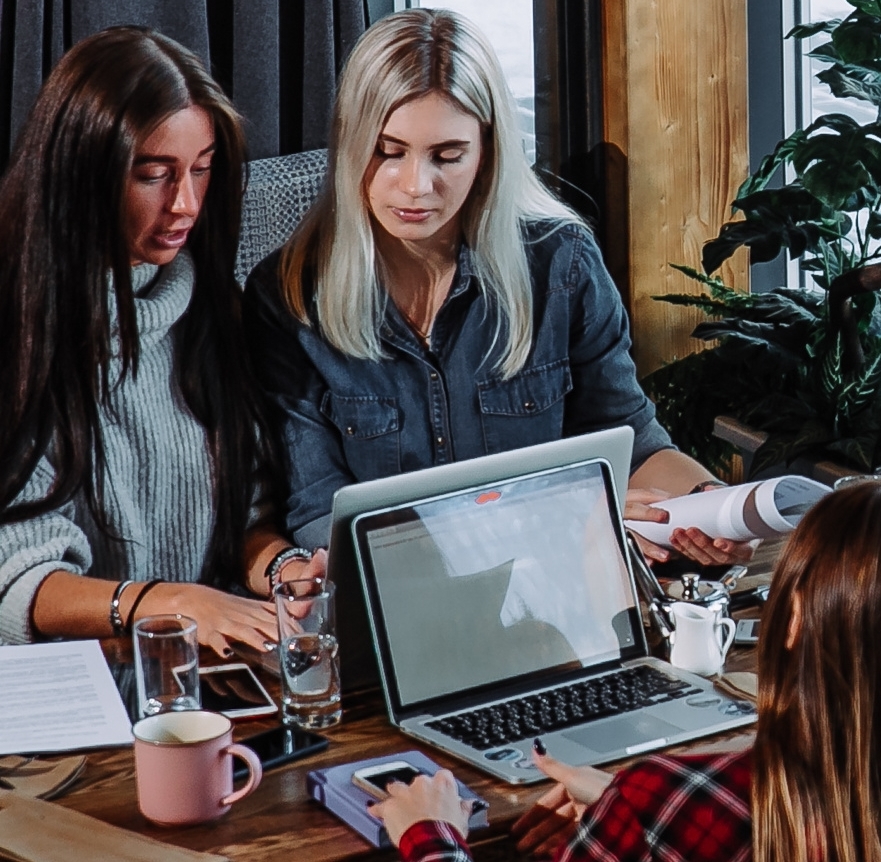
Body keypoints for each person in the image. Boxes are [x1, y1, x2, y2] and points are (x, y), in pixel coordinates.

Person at [242, 8, 752, 570]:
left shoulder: (562, 264)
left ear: (486, 153)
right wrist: (553, 524)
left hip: (556, 594)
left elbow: (633, 443)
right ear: (349, 144)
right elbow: (317, 514)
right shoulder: (287, 297)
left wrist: (712, 507)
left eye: (448, 156)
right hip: (395, 603)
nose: (416, 186)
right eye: (388, 152)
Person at [0, 26, 323, 657]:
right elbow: (20, 580)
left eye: (202, 171)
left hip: (207, 687)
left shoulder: (212, 307)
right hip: (71, 708)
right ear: (82, 175)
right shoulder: (20, 328)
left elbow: (246, 514)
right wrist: (169, 602)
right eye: (155, 175)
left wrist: (284, 570)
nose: (187, 204)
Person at [371, 479, 881, 862]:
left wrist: (430, 837)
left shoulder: (673, 802)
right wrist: (631, 806)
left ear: (792, 621)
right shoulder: (676, 802)